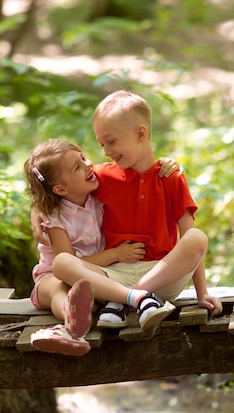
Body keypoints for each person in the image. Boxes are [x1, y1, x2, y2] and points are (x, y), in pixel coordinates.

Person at [33, 90, 222, 332]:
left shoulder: (171, 177)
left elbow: (189, 238)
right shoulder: (102, 176)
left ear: (140, 133)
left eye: (111, 142)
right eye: (102, 144)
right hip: (113, 275)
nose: (105, 151)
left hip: (162, 274)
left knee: (197, 238)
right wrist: (37, 209)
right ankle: (131, 298)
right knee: (61, 263)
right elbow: (60, 187)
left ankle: (122, 300)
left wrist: (201, 293)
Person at [24, 138, 178, 356]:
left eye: (84, 158)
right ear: (59, 188)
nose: (88, 165)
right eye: (77, 166)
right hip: (55, 276)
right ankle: (71, 318)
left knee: (89, 301)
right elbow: (65, 263)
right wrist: (115, 254)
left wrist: (164, 166)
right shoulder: (54, 219)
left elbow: (135, 175)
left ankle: (72, 326)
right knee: (59, 288)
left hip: (96, 276)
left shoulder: (98, 192)